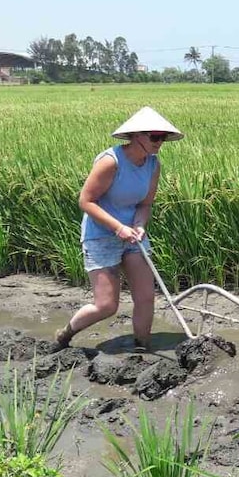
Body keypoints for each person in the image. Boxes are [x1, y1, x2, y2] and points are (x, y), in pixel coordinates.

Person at [54, 106, 184, 352]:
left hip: (133, 236)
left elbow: (145, 204)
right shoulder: (110, 162)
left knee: (146, 297)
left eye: (163, 137)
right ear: (137, 136)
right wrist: (117, 228)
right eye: (154, 137)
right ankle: (65, 335)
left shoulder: (153, 165)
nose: (160, 142)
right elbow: (86, 201)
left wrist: (139, 224)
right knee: (106, 306)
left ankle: (142, 347)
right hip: (101, 235)